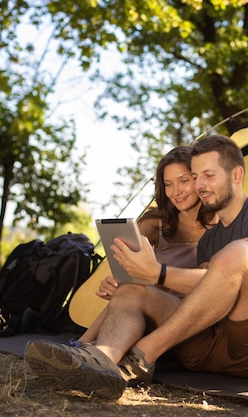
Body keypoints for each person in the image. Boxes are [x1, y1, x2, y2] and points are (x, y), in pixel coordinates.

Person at [25, 134, 248, 401]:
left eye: (209, 175)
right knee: (133, 287)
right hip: (209, 349)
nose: (200, 185)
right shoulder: (210, 238)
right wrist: (144, 279)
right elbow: (208, 290)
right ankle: (101, 361)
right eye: (196, 177)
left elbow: (243, 277)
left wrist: (158, 273)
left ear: (236, 175)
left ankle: (140, 358)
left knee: (239, 253)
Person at [73, 145, 213, 345]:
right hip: (151, 308)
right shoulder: (156, 222)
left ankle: (88, 346)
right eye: (168, 184)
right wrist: (115, 283)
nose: (176, 192)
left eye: (184, 181)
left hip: (194, 317)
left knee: (142, 289)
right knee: (130, 288)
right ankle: (82, 344)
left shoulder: (219, 223)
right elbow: (129, 272)